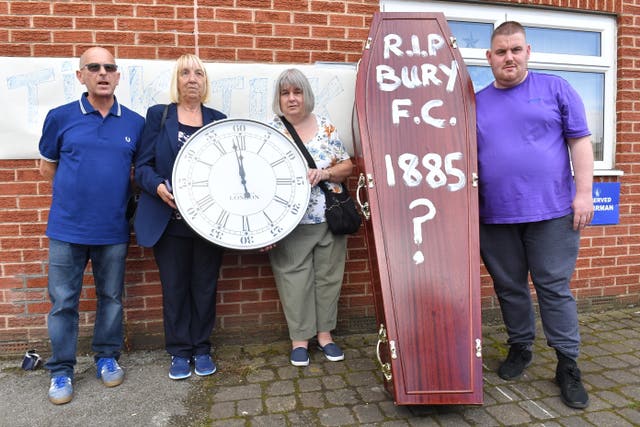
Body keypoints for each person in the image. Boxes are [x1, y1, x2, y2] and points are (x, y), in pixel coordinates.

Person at [475, 21, 594, 409]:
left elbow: (579, 140)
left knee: (553, 287)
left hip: (552, 212)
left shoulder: (555, 88)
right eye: (501, 51)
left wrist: (584, 194)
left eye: (516, 49)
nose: (509, 57)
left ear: (528, 51)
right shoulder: (474, 102)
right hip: (494, 214)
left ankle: (567, 364)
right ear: (488, 57)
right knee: (509, 287)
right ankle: (520, 347)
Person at [38, 47, 145, 405]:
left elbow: (134, 175)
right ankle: (61, 371)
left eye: (109, 67)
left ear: (117, 76)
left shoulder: (134, 122)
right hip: (67, 229)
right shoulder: (60, 117)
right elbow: (47, 166)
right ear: (80, 75)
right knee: (63, 303)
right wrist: (74, 198)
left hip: (113, 229)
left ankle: (106, 358)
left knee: (111, 299)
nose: (102, 73)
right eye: (94, 67)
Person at [134, 54, 226, 380]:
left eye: (198, 73)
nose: (192, 78)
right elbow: (142, 167)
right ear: (177, 80)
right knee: (174, 289)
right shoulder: (159, 117)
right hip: (169, 224)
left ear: (205, 81)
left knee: (204, 288)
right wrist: (158, 186)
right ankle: (178, 351)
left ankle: (202, 348)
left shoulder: (218, 119)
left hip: (209, 226)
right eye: (185, 72)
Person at [266, 68, 354, 366]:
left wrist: (326, 173)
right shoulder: (271, 132)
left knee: (328, 279)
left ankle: (325, 336)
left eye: (297, 91)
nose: (292, 98)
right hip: (290, 224)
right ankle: (299, 341)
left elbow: (347, 165)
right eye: (285, 93)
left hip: (329, 218)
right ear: (279, 98)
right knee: (294, 281)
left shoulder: (326, 126)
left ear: (306, 95)